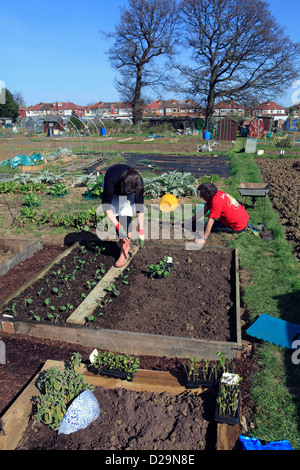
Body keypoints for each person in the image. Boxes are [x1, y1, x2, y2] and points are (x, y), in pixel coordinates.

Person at [101, 164, 145, 267]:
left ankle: (124, 253)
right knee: (120, 226)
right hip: (115, 193)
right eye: (131, 192)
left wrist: (141, 231)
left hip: (127, 190)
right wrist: (117, 225)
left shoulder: (138, 183)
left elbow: (139, 207)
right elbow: (106, 207)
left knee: (125, 225)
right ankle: (123, 245)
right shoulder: (111, 181)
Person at [194, 182, 249, 247]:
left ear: (207, 196)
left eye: (202, 196)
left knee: (207, 225)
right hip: (243, 218)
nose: (202, 198)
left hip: (237, 227)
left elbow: (211, 221)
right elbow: (204, 210)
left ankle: (243, 227)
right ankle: (247, 225)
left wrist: (203, 238)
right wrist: (190, 220)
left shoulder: (216, 203)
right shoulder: (218, 193)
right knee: (206, 224)